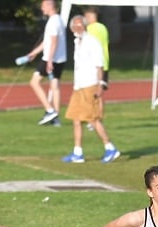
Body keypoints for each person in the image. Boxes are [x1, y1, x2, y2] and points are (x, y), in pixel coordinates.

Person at [62, 14, 120, 164]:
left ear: (85, 26)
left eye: (80, 25)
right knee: (76, 118)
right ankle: (77, 152)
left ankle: (110, 147)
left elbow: (99, 64)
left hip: (90, 84)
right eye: (75, 25)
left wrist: (100, 84)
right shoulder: (77, 41)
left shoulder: (91, 42)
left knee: (92, 119)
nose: (77, 27)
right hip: (79, 86)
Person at [24, 0, 67, 126]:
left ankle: (50, 110)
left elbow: (54, 42)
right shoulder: (58, 20)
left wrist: (49, 60)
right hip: (60, 59)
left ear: (49, 6)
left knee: (34, 82)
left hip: (50, 58)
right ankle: (56, 118)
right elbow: (47, 42)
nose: (42, 9)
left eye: (43, 7)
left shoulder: (53, 21)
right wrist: (34, 52)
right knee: (55, 87)